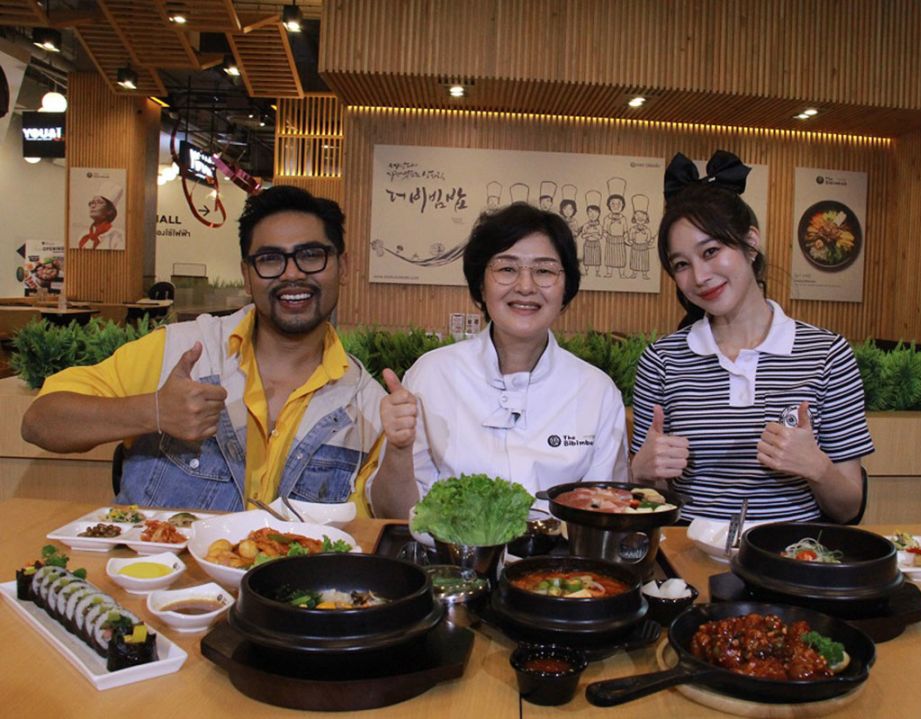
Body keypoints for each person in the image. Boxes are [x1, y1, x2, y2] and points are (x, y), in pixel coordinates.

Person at [22, 185, 392, 513]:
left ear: (343, 267)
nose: (292, 274)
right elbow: (40, 422)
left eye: (311, 255)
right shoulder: (180, 351)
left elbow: (370, 529)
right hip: (156, 572)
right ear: (246, 275)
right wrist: (154, 410)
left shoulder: (368, 407)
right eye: (270, 259)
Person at [629, 151, 873, 524]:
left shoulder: (828, 354)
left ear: (750, 242)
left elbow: (848, 507)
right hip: (686, 551)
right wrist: (641, 474)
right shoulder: (661, 360)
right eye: (681, 264)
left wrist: (817, 467)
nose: (700, 276)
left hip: (792, 552)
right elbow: (647, 499)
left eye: (711, 251)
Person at [370, 202, 629, 518]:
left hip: (558, 551)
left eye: (544, 271)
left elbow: (604, 514)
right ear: (481, 283)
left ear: (566, 288)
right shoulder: (433, 374)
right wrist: (398, 450)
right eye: (507, 269)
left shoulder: (596, 391)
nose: (525, 286)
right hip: (450, 550)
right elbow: (394, 514)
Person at [78, 182, 124, 250]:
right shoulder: (84, 235)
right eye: (92, 202)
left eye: (99, 202)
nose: (93, 206)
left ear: (109, 210)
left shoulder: (116, 236)